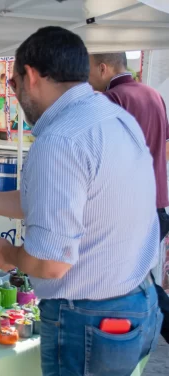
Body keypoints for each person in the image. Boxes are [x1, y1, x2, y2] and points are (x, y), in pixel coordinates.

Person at [0, 27, 162, 375]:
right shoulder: (113, 118)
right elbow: (47, 201)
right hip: (137, 299)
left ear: (31, 76)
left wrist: (8, 254)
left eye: (13, 84)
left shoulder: (61, 139)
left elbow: (49, 262)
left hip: (89, 316)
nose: (15, 95)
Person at [88, 52, 169, 344]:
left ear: (102, 67)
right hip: (156, 203)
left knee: (131, 283)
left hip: (126, 209)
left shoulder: (111, 100)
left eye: (87, 69)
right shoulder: (153, 95)